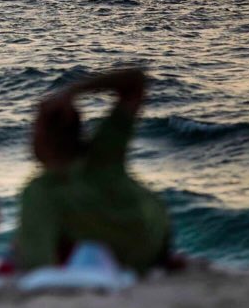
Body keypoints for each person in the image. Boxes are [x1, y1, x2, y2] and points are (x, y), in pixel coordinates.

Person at [16, 67, 172, 275]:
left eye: (35, 129)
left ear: (45, 139)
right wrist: (73, 91)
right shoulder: (104, 155)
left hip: (125, 261)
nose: (31, 136)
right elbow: (136, 80)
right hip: (157, 244)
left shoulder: (42, 191)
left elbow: (39, 268)